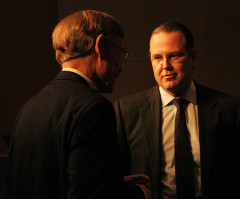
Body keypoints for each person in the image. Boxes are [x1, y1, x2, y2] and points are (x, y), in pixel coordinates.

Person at [7, 10, 151, 199]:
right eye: (119, 53)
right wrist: (139, 193)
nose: (121, 67)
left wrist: (113, 182)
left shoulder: (29, 108)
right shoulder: (94, 108)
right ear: (100, 46)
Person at [114, 22, 240, 199]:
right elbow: (117, 177)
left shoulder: (229, 108)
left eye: (174, 56)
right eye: (157, 58)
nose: (165, 65)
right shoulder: (127, 110)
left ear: (193, 57)